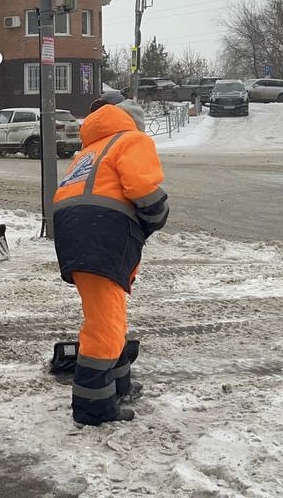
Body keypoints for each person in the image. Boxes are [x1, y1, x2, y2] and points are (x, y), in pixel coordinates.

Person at [52, 90, 169, 426]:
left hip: (74, 232)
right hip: (102, 232)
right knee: (104, 326)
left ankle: (119, 386)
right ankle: (94, 409)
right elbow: (141, 187)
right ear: (133, 121)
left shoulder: (90, 150)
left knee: (110, 315)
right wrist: (158, 213)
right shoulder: (132, 140)